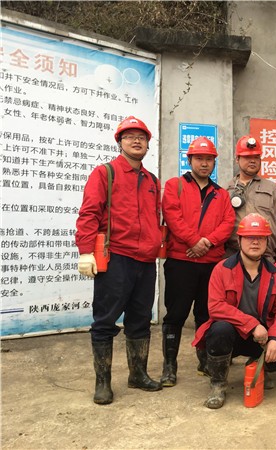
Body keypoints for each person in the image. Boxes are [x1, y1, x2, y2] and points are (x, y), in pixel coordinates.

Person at [76, 116, 162, 404]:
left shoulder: (152, 181)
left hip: (145, 261)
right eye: (129, 137)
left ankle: (138, 374)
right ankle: (103, 383)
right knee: (105, 321)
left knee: (140, 320)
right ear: (119, 142)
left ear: (148, 144)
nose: (136, 141)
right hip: (116, 259)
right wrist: (86, 250)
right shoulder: (105, 173)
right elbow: (89, 213)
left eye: (142, 137)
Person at [192, 213, 276, 409]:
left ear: (267, 241)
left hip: (261, 338)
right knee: (220, 330)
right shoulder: (222, 269)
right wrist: (252, 325)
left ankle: (258, 364)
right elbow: (215, 307)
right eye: (249, 237)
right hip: (233, 335)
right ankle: (218, 385)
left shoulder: (275, 274)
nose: (255, 242)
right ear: (239, 240)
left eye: (260, 238)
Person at [160, 137, 235, 387]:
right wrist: (194, 241)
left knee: (207, 314)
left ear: (214, 162)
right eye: (199, 158)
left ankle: (204, 361)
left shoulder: (221, 194)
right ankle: (169, 366)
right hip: (181, 262)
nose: (204, 163)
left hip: (211, 264)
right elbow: (172, 216)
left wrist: (207, 243)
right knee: (176, 314)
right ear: (190, 160)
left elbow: (228, 223)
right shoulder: (175, 186)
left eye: (209, 159)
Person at [225, 135, 276, 262]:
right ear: (237, 159)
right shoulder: (226, 190)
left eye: (256, 157)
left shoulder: (272, 188)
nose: (253, 161)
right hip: (233, 257)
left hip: (266, 257)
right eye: (247, 157)